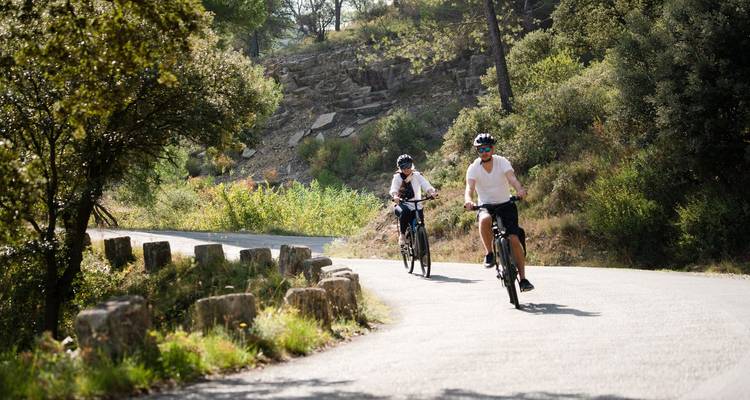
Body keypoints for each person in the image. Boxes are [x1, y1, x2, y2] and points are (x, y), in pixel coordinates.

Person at [463, 133, 534, 292]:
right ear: (477, 151)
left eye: (487, 148)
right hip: (486, 205)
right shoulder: (473, 167)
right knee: (484, 220)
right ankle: (489, 253)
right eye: (480, 149)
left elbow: (512, 179)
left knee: (514, 239)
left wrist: (520, 190)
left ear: (492, 149)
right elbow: (470, 188)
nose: (484, 152)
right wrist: (468, 200)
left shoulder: (502, 162)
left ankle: (523, 280)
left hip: (506, 204)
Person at [390, 154, 438, 246]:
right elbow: (394, 188)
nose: (406, 169)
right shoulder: (397, 177)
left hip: (417, 205)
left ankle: (422, 252)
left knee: (421, 226)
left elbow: (425, 184)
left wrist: (431, 192)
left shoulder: (417, 175)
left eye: (408, 166)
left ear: (412, 165)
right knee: (405, 212)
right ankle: (402, 235)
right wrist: (395, 196)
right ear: (400, 168)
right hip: (404, 204)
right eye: (403, 167)